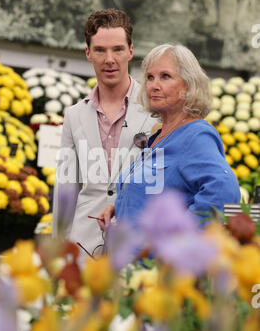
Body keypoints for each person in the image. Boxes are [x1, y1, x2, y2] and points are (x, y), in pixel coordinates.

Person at [97, 43, 241, 229]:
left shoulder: (195, 135)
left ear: (189, 85)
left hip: (156, 259)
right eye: (150, 77)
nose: (154, 86)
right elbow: (156, 193)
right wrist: (120, 208)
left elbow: (224, 192)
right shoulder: (158, 135)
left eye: (165, 76)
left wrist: (175, 237)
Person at [52, 9, 155, 260]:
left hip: (139, 244)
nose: (110, 59)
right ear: (88, 53)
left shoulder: (156, 110)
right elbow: (65, 190)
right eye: (100, 50)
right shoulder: (74, 115)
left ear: (131, 51)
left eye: (118, 49)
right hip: (82, 246)